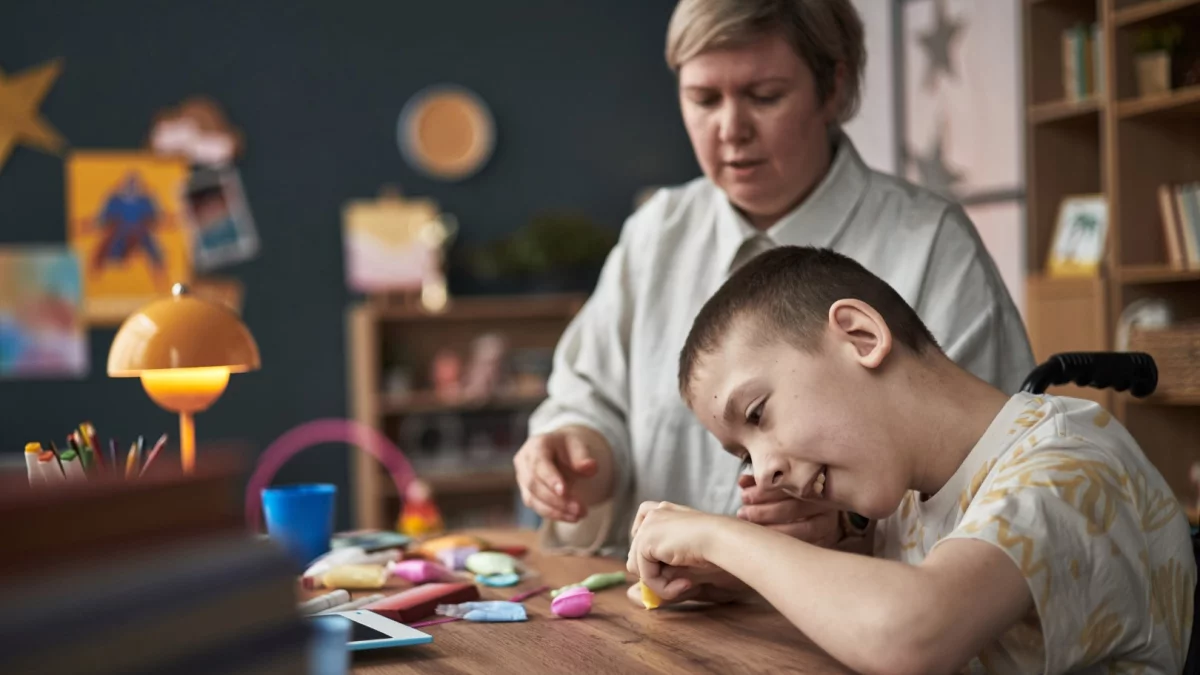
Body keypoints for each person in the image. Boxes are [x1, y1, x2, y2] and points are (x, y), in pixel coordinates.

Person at [516, 0, 1034, 567]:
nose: (730, 129)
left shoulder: (931, 244)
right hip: (658, 619)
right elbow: (590, 400)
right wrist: (578, 454)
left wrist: (850, 520)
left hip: (849, 632)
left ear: (832, 88)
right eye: (703, 99)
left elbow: (993, 473)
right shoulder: (655, 235)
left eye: (764, 96)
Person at [627, 246, 1194, 675]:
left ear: (860, 335)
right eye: (744, 456)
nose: (763, 469)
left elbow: (912, 631)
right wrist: (743, 582)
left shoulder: (1069, 463)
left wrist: (722, 539)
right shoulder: (912, 498)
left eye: (757, 413)